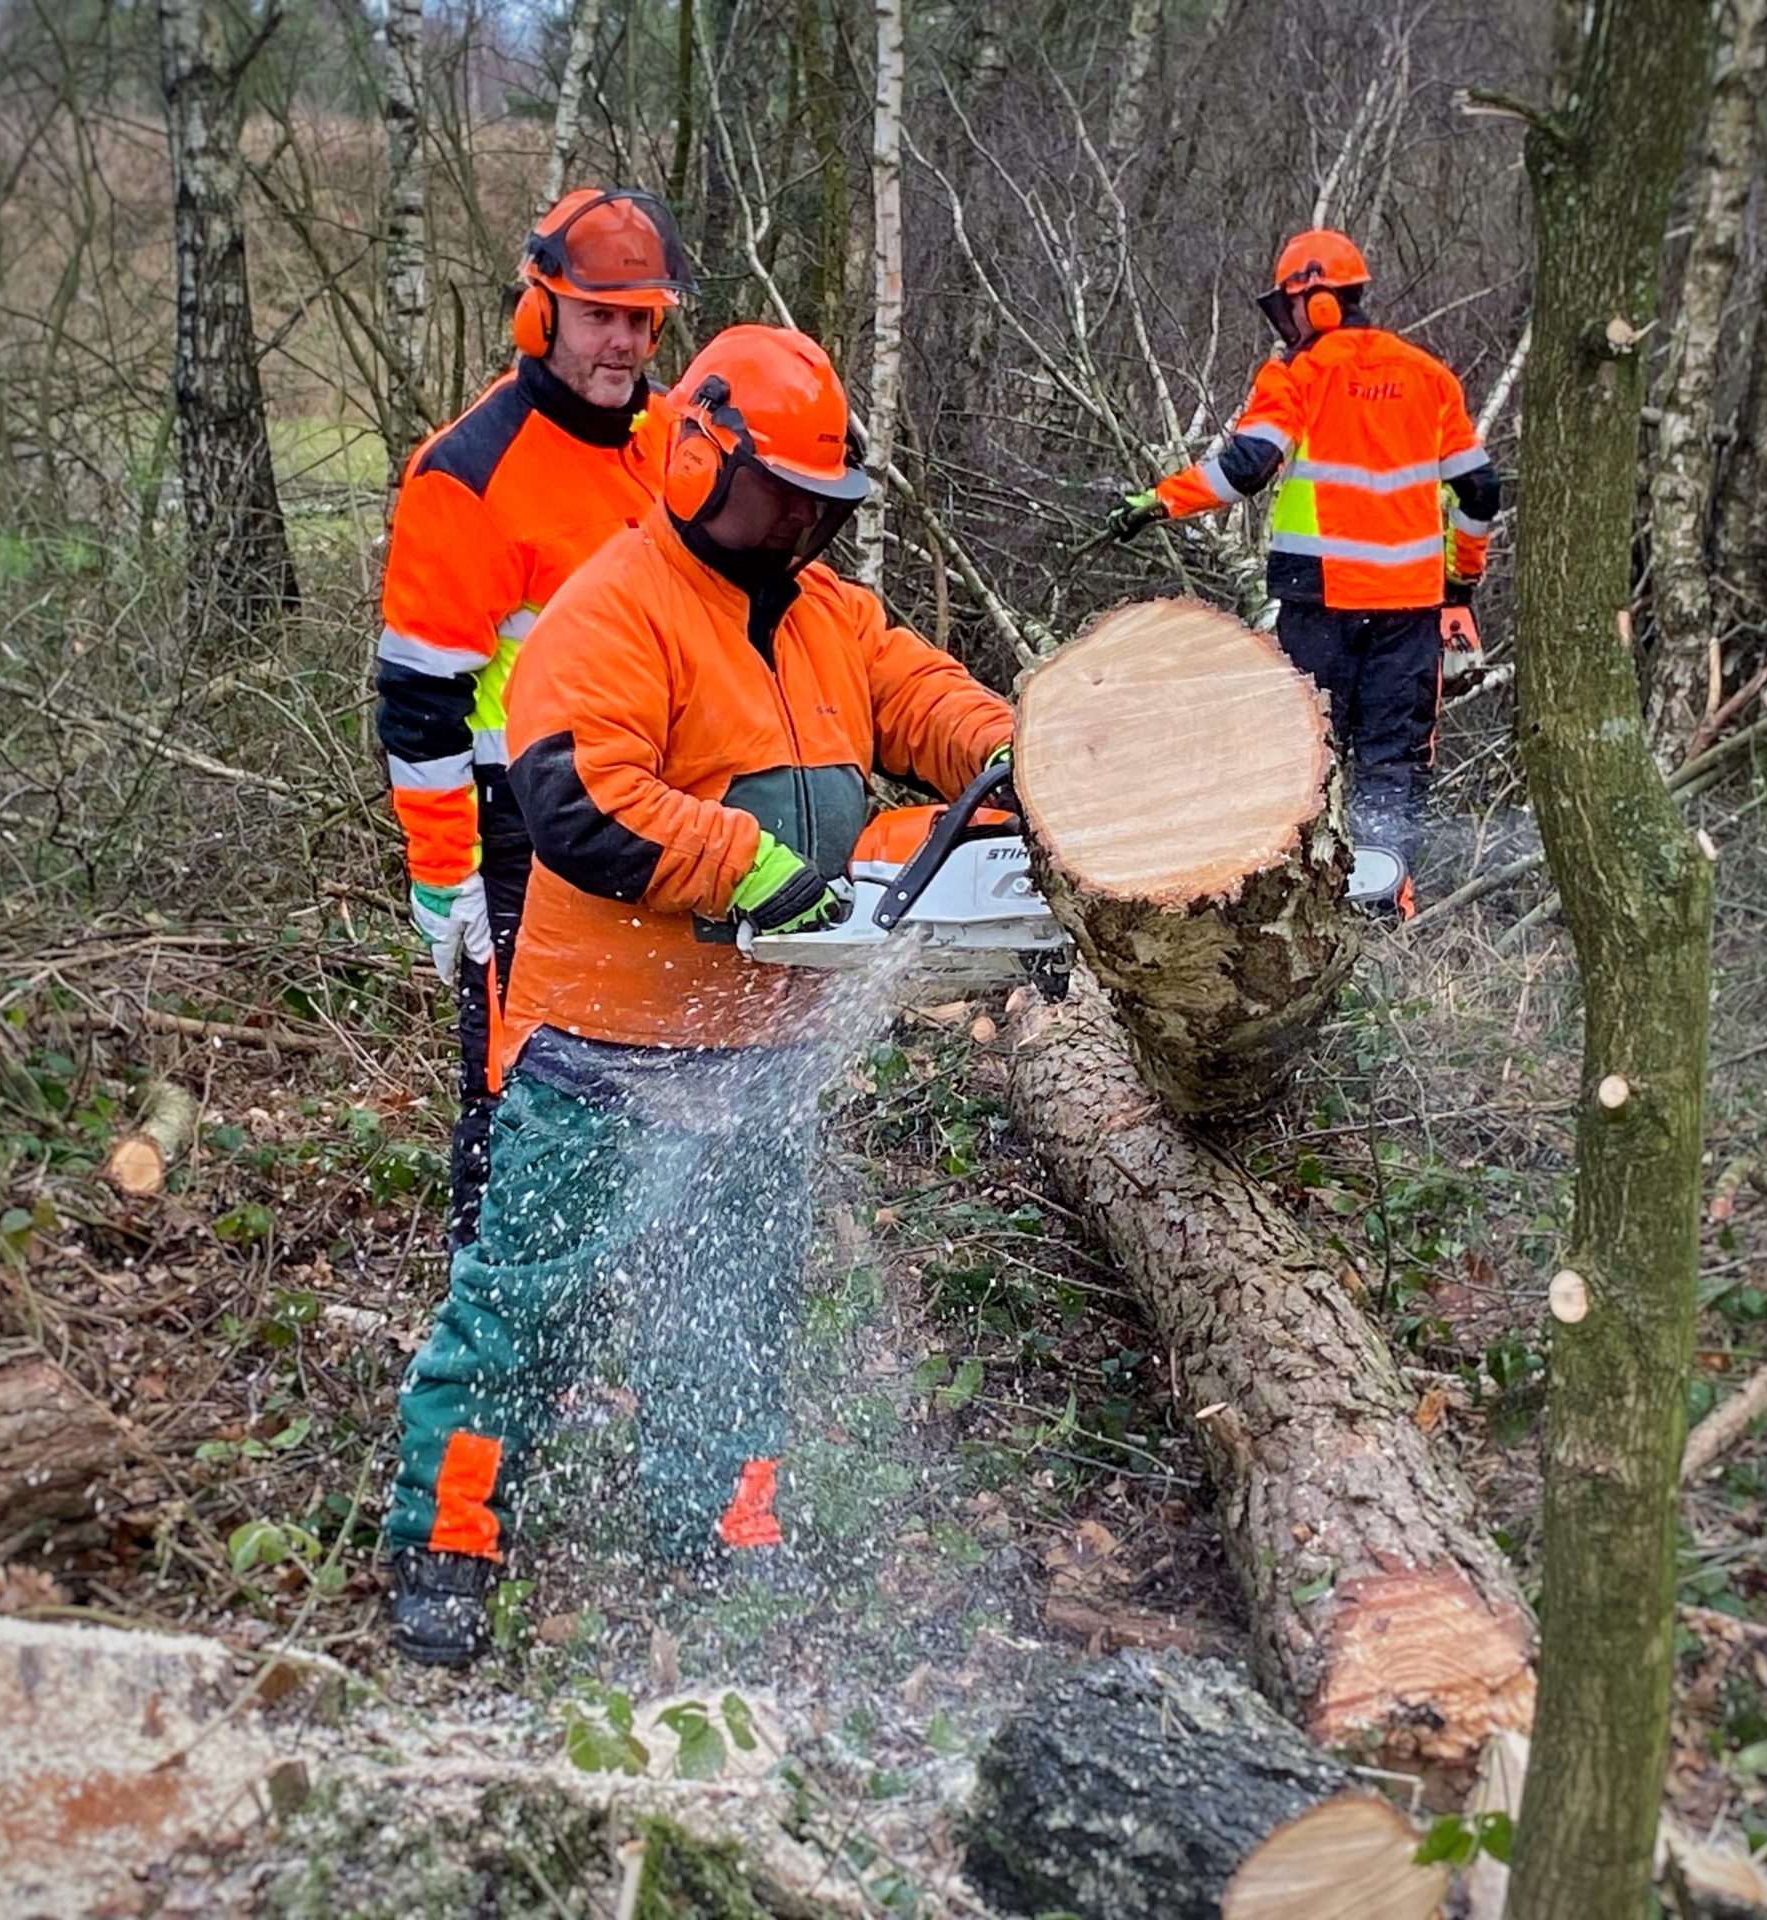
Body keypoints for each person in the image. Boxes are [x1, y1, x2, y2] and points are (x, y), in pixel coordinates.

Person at [382, 325, 1015, 1664]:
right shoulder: (613, 608)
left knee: (733, 1315)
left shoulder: (827, 613)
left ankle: (715, 1535)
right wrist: (755, 868)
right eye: (777, 492)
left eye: (816, 503)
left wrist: (1028, 749)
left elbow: (923, 699)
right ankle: (447, 1543)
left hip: (759, 1051)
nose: (797, 521)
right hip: (603, 1050)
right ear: (699, 458)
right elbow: (578, 797)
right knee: (521, 1312)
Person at [373, 187, 690, 1249]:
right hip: (523, 830)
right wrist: (440, 872)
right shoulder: (467, 474)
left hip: (662, 810)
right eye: (601, 315)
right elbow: (420, 700)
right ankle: (497, 1344)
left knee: (656, 1083)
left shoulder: (675, 440)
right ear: (540, 311)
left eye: (642, 319)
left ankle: (618, 1310)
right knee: (519, 1087)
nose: (623, 342)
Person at [1107, 228, 1500, 917]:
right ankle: (1381, 909)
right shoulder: (1428, 377)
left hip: (1317, 605)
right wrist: (1460, 580)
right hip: (1410, 613)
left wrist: (1159, 500)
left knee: (1300, 758)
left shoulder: (1298, 374)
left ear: (1312, 304)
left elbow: (1244, 469)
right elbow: (1480, 493)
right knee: (1392, 766)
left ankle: (1290, 912)